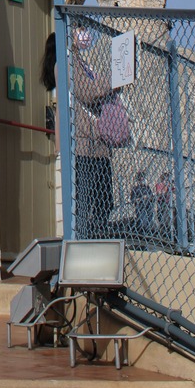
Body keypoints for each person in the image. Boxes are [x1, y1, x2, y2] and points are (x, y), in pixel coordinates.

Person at [40, 31, 113, 239]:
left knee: (103, 201)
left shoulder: (80, 64)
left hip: (96, 143)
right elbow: (87, 91)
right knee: (86, 201)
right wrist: (113, 81)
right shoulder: (65, 65)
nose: (81, 34)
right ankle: (83, 241)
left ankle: (93, 238)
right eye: (73, 30)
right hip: (82, 144)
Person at [130, 170, 154, 236]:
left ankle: (148, 231)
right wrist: (141, 198)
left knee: (150, 218)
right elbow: (133, 200)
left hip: (148, 205)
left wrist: (149, 197)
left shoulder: (147, 188)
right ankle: (143, 232)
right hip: (140, 206)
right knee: (143, 219)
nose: (142, 181)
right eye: (141, 179)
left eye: (143, 179)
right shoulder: (135, 188)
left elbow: (151, 196)